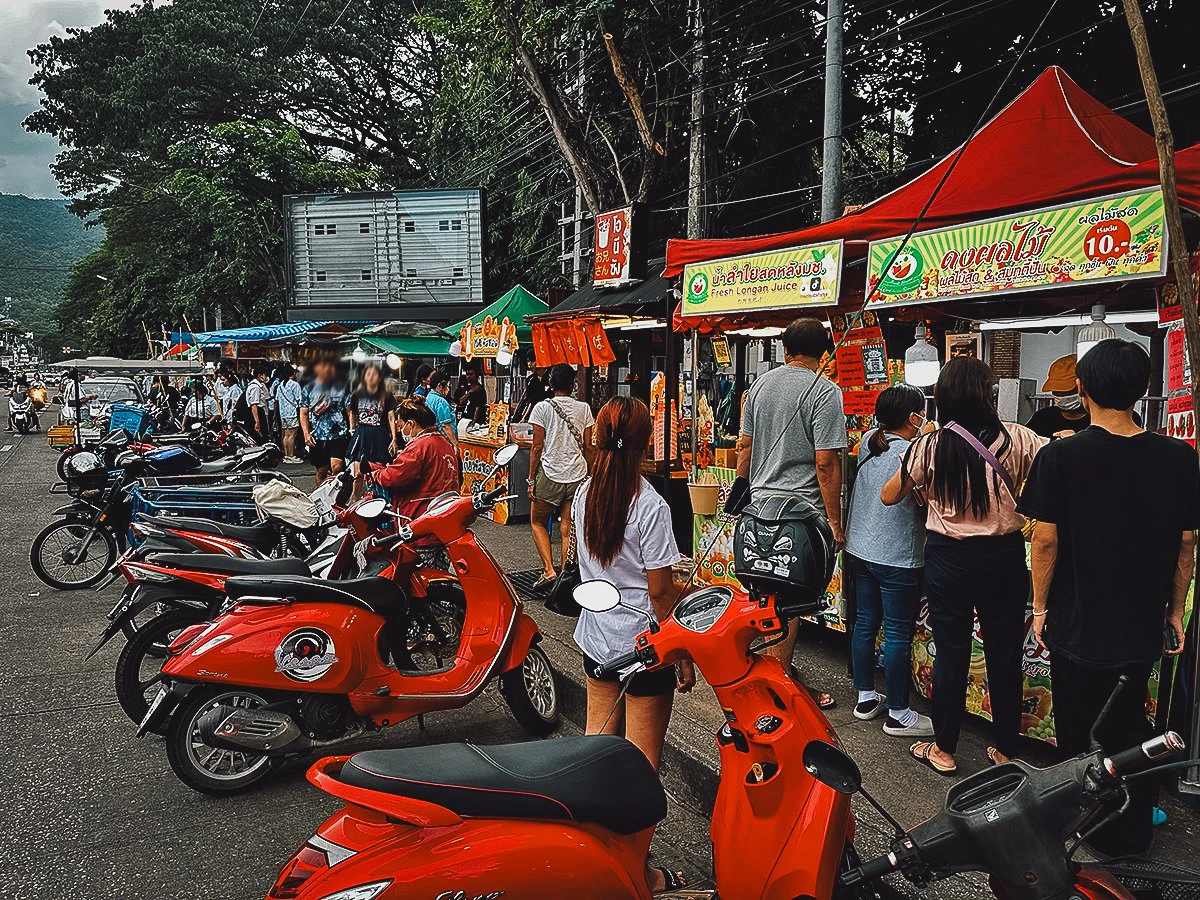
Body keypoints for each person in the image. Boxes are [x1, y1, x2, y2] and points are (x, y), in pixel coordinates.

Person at [1018, 339, 1196, 854]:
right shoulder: (1179, 457)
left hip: (1077, 621)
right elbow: (1185, 545)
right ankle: (1133, 829)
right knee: (1130, 727)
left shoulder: (1061, 456)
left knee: (1079, 730)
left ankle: (1086, 829)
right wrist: (1174, 611)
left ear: (1082, 388)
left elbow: (1045, 540)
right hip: (1141, 624)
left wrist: (1040, 608)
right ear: (1142, 391)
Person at [882, 357, 1044, 775]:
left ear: (945, 398)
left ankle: (944, 749)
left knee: (951, 652)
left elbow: (889, 496)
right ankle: (1007, 750)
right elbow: (1050, 471)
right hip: (1004, 558)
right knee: (1004, 653)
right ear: (987, 396)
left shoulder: (929, 446)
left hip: (948, 559)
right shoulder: (1020, 439)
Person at [571, 396, 692, 894]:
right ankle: (638, 875)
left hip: (597, 641)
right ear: (647, 444)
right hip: (644, 648)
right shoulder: (650, 505)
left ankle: (592, 859)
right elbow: (661, 592)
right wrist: (682, 653)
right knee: (642, 771)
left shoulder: (584, 495)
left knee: (593, 756)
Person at [735, 317, 844, 708]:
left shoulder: (760, 386)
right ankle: (777, 691)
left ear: (785, 350)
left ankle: (772, 675)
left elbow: (743, 447)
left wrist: (740, 490)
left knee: (766, 598)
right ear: (825, 353)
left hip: (757, 511)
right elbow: (826, 464)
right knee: (790, 602)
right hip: (799, 516)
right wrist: (835, 522)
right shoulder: (825, 391)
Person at [845, 384, 933, 738]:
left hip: (860, 550)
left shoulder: (869, 439)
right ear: (914, 417)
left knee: (865, 622)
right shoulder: (915, 452)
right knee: (897, 632)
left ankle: (866, 696)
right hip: (897, 556)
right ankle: (899, 713)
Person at [528, 364, 594, 589]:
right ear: (572, 384)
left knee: (537, 521)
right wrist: (591, 474)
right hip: (577, 474)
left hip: (549, 473)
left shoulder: (541, 408)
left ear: (551, 384)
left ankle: (548, 570)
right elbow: (589, 446)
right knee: (568, 525)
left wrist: (530, 479)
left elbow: (537, 447)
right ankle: (566, 574)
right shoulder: (584, 409)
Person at [365, 398, 459, 521]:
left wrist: (376, 475)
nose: (400, 431)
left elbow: (395, 477)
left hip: (420, 513)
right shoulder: (442, 442)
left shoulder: (419, 447)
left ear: (410, 424)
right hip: (442, 508)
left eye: (401, 426)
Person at [300, 353, 350, 485]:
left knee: (337, 467)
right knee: (321, 470)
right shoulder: (308, 387)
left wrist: (352, 429)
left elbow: (349, 410)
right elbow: (303, 412)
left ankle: (338, 497)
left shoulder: (342, 386)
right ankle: (321, 499)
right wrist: (306, 433)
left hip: (338, 433)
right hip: (317, 435)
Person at [349, 363, 399, 470]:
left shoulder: (386, 394)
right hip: (362, 432)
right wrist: (352, 430)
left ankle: (374, 487)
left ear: (379, 377)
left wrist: (394, 438)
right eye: (368, 374)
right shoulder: (357, 393)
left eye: (374, 374)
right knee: (357, 468)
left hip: (379, 432)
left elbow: (391, 417)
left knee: (378, 467)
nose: (371, 377)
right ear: (364, 376)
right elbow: (352, 412)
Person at [1025, 355, 1090, 438]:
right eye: (1057, 391)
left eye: (1067, 390)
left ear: (1082, 387)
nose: (1061, 395)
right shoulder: (1042, 418)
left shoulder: (1097, 422)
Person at [273, 365, 304, 463]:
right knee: (292, 435)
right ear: (292, 373)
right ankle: (291, 455)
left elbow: (276, 400)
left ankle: (286, 455)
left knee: (286, 435)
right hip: (292, 412)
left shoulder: (280, 385)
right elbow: (299, 400)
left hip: (283, 413)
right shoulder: (295, 385)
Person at [425, 369, 457, 446]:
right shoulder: (441, 402)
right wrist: (455, 444)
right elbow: (445, 426)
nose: (448, 389)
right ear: (439, 386)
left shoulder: (428, 397)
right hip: (443, 441)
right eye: (447, 386)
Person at [245, 364, 272, 443]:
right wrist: (257, 421)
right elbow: (254, 405)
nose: (266, 377)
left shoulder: (260, 385)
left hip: (261, 411)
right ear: (260, 375)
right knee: (260, 437)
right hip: (257, 413)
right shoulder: (255, 387)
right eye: (264, 375)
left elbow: (267, 397)